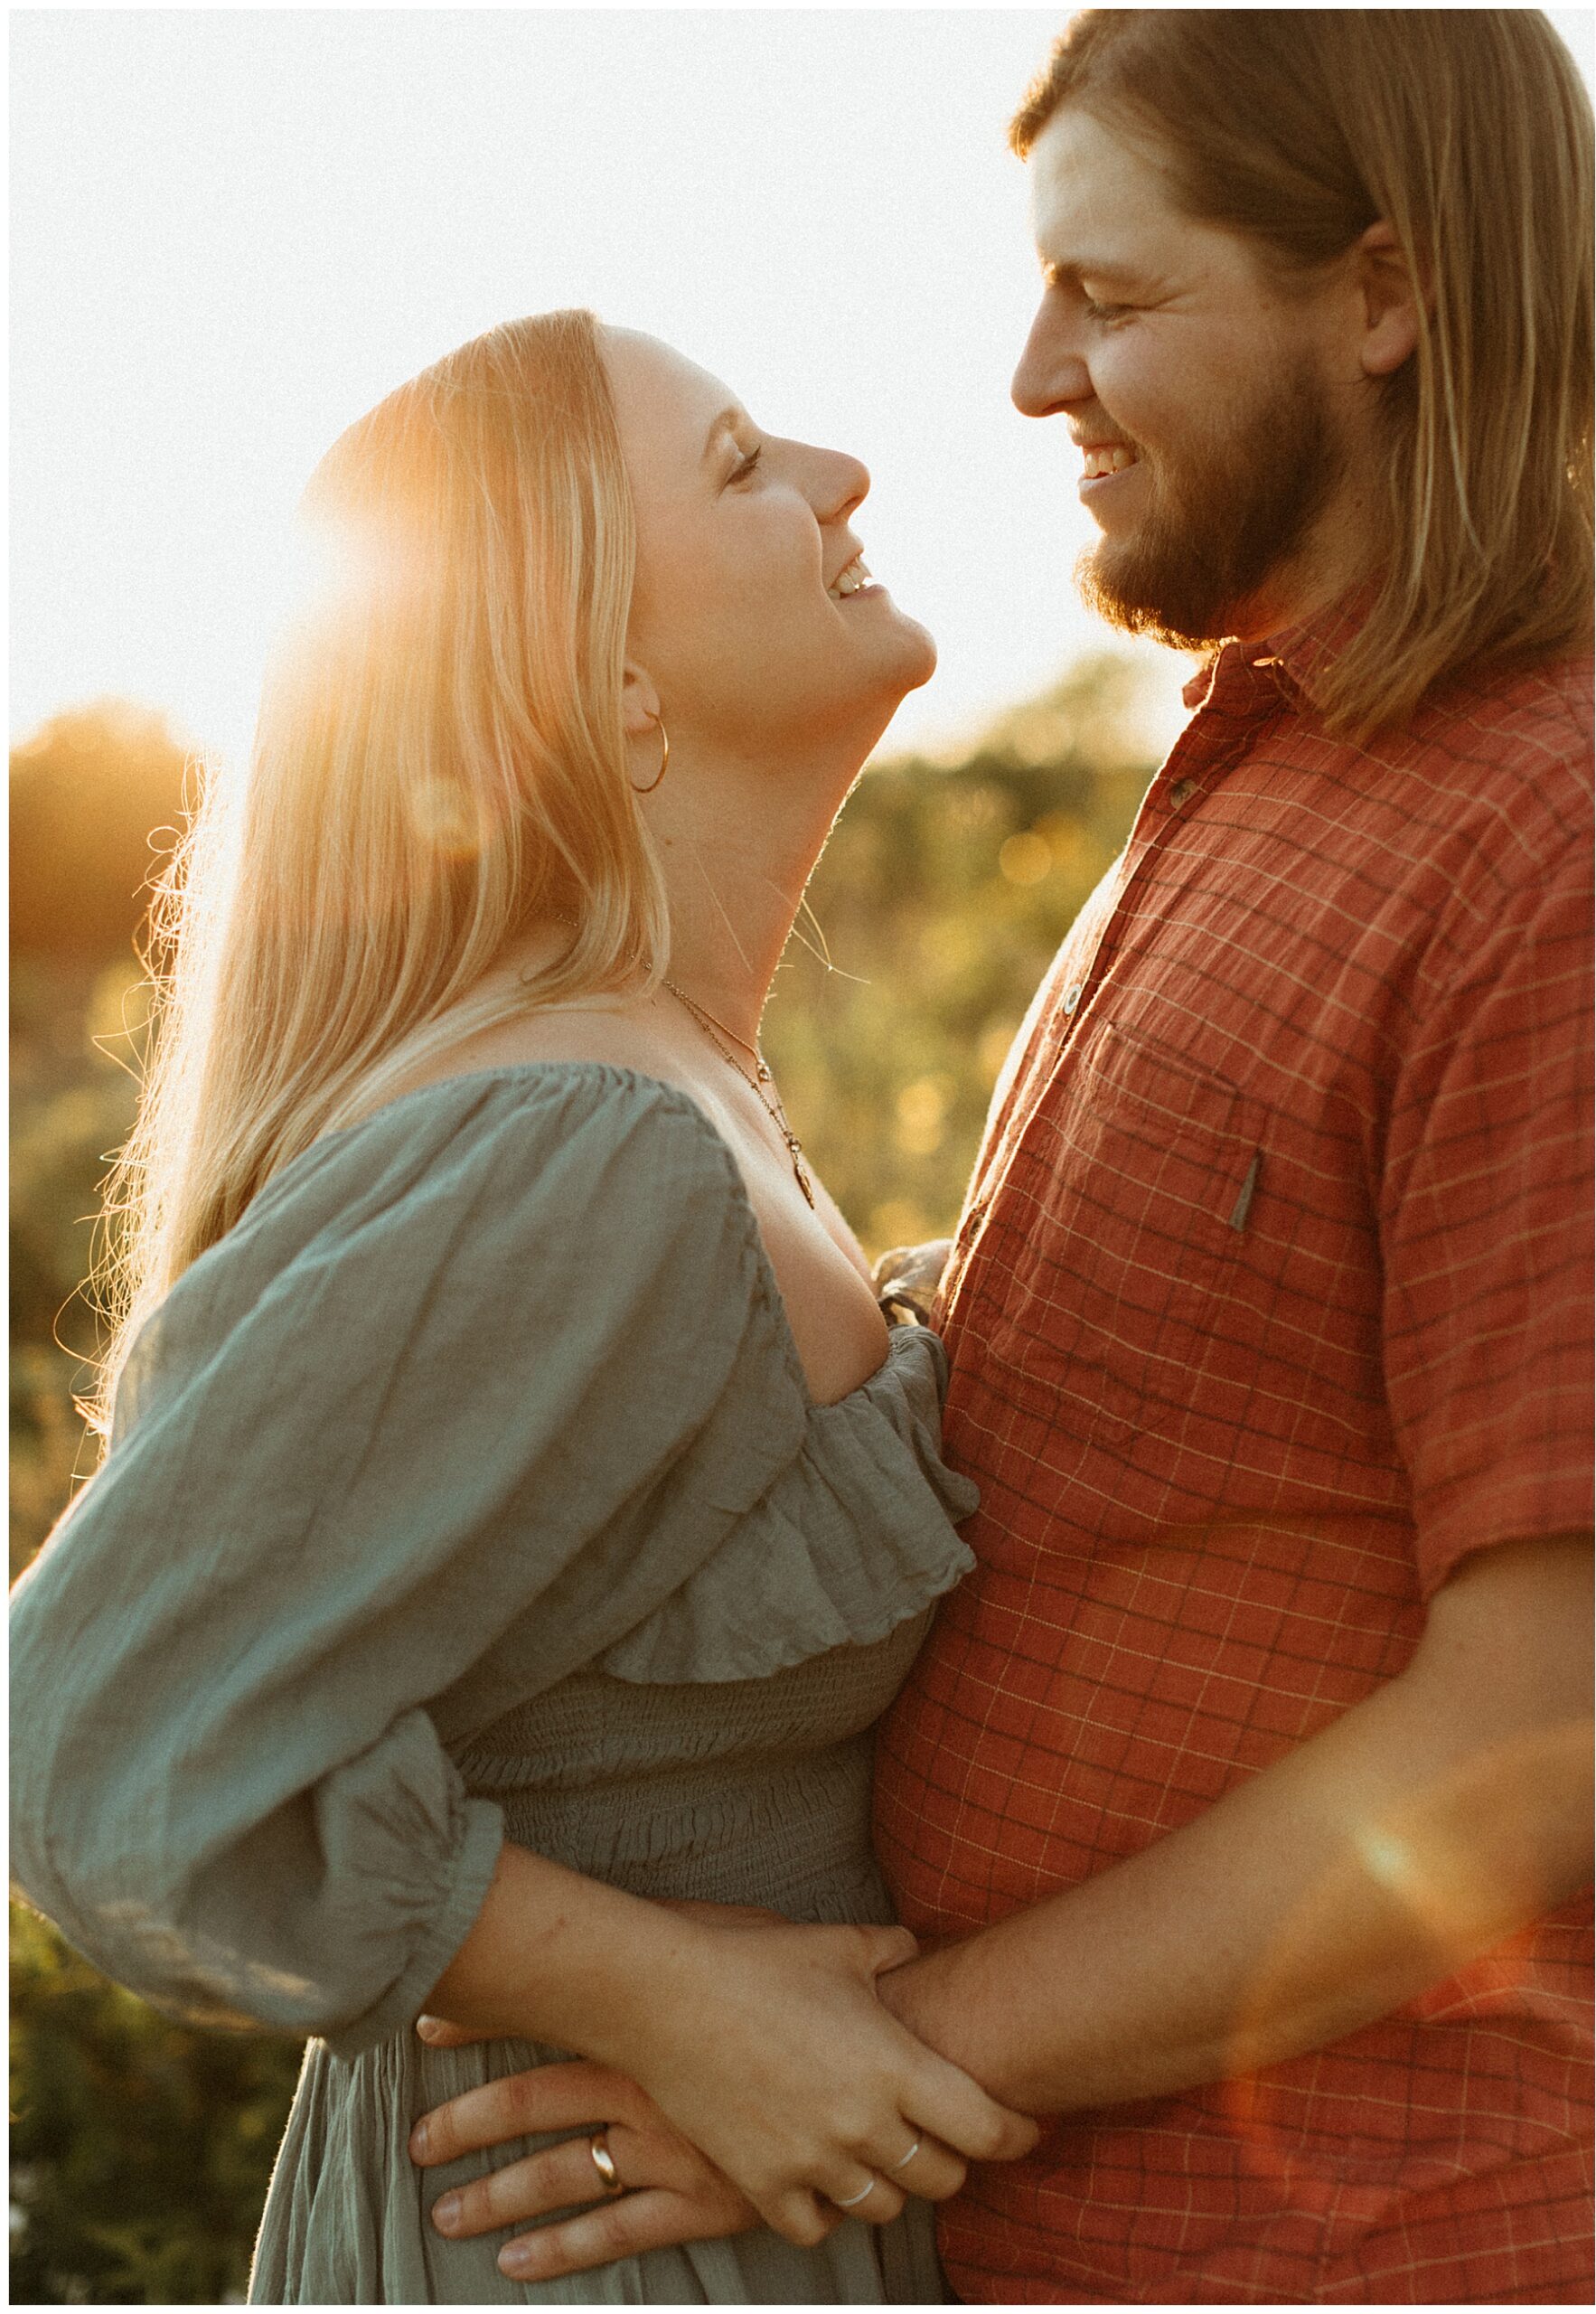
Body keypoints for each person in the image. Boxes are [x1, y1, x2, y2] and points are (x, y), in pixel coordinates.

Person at [403, 11, 1594, 2304]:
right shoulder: (1264, 766)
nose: (1036, 375)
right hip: (1038, 2222)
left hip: (1334, 2237)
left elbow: (1546, 1730)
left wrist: (857, 2060)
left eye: (1115, 298)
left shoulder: (1548, 840)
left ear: (1386, 294)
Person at [8, 308, 1039, 2305]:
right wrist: (656, 1987)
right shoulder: (590, 1145)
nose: (842, 475)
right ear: (609, 677)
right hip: (581, 2236)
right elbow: (85, 1748)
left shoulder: (678, 1096)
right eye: (741, 464)